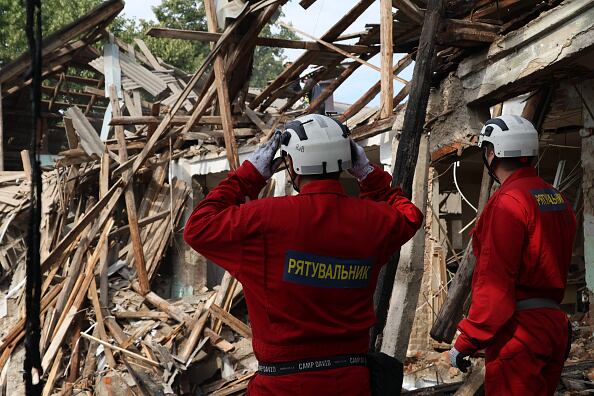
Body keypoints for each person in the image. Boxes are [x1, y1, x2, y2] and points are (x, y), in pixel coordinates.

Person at [184, 114, 423, 395]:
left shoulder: (264, 220)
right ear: (347, 160)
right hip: (352, 382)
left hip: (282, 386)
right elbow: (410, 215)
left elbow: (197, 227)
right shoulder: (373, 220)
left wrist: (249, 175)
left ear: (293, 165)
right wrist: (369, 175)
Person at [448, 115, 577, 395]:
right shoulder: (558, 199)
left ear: (492, 152)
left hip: (520, 335)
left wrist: (467, 340)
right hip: (554, 327)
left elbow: (495, 284)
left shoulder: (508, 203)